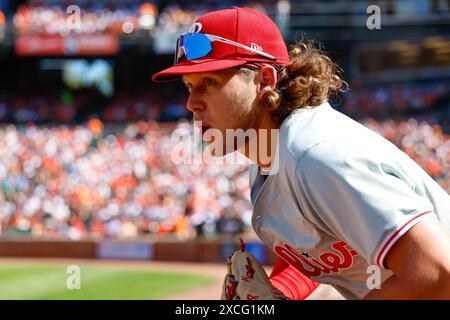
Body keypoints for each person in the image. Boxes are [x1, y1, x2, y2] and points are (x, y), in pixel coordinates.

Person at [153, 7, 450, 299]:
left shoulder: (316, 156)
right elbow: (316, 241)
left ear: (265, 80)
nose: (192, 103)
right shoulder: (271, 157)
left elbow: (436, 273)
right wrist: (282, 292)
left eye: (209, 82)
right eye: (189, 86)